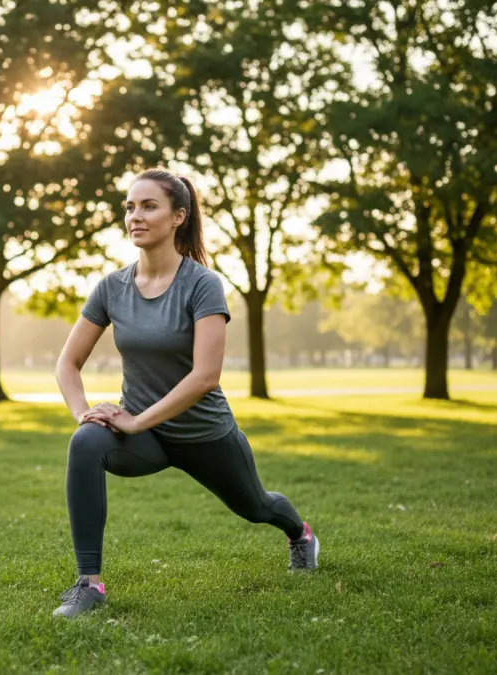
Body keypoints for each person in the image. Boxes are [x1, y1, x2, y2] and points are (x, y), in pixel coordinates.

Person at [51, 170, 318, 619]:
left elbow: (205, 376)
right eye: (129, 207)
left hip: (203, 433)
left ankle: (300, 534)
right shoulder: (111, 287)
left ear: (178, 216)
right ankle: (89, 584)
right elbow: (67, 362)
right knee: (87, 443)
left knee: (255, 506)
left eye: (148, 206)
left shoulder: (202, 284)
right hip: (146, 439)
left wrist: (136, 420)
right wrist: (83, 412)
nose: (135, 216)